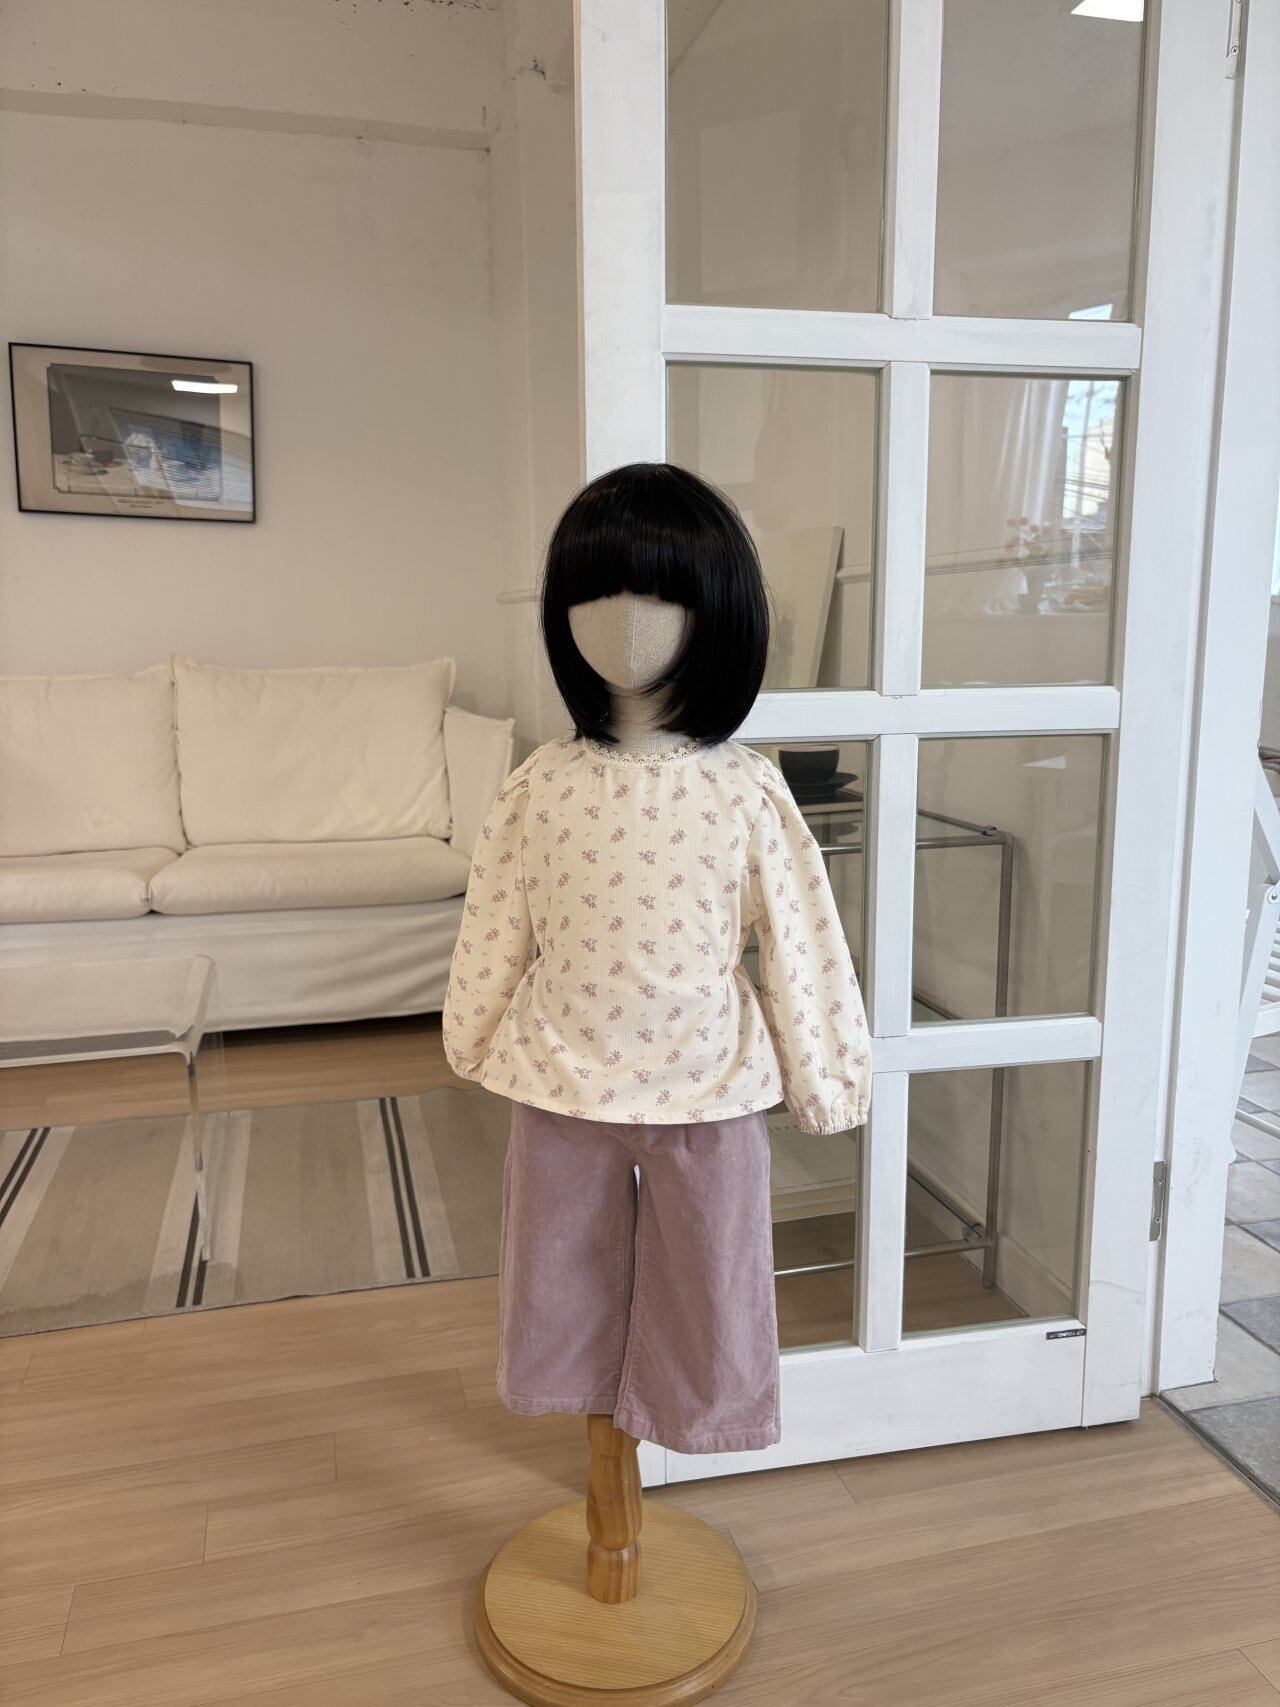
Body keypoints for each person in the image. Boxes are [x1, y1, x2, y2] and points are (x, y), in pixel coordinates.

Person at [443, 462, 871, 1455]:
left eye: (658, 595)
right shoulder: (539, 784)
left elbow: (803, 939)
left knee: (713, 1279)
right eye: (593, 595)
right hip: (560, 1078)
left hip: (707, 1084)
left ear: (712, 610)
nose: (622, 621)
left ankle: (686, 1417)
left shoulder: (744, 789)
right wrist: (470, 1030)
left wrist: (827, 1077)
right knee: (553, 1272)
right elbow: (494, 919)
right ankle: (592, 1440)